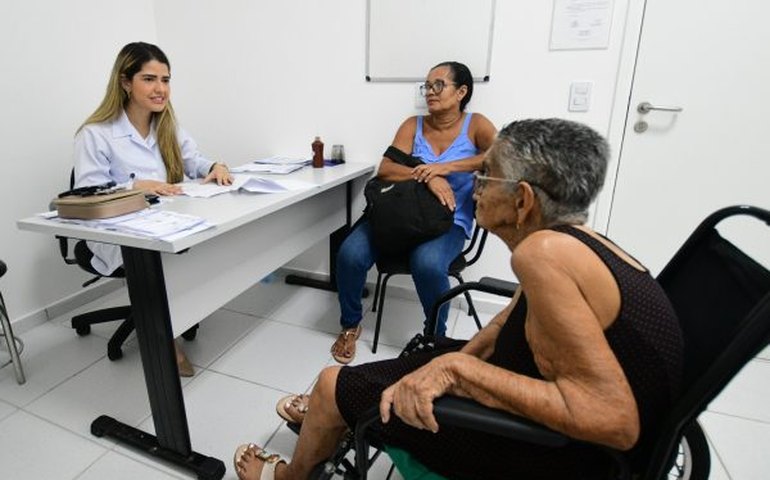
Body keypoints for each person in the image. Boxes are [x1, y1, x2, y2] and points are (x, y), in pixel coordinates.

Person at [233, 118, 684, 480]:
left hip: (553, 454)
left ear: (522, 200)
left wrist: (458, 369)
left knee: (333, 381)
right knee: (427, 353)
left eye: (487, 174)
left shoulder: (542, 253)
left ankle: (293, 472)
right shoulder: (573, 238)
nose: (479, 185)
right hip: (553, 422)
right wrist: (452, 363)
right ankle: (330, 416)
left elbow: (616, 421)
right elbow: (505, 324)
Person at [73, 42, 233, 377]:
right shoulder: (95, 134)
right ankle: (165, 335)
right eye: (149, 79)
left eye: (166, 79)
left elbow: (194, 161)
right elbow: (85, 195)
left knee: (207, 243)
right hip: (117, 233)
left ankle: (173, 314)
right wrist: (134, 186)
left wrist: (214, 166)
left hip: (162, 222)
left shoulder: (167, 126)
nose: (161, 89)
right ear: (126, 81)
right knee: (164, 262)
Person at [331, 61, 497, 364]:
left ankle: (435, 338)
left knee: (428, 263)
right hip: (397, 214)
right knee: (349, 254)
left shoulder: (476, 125)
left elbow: (502, 155)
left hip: (448, 221)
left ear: (461, 91)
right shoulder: (413, 125)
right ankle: (350, 323)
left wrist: (447, 167)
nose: (430, 93)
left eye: (438, 85)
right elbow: (388, 169)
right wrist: (429, 176)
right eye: (427, 86)